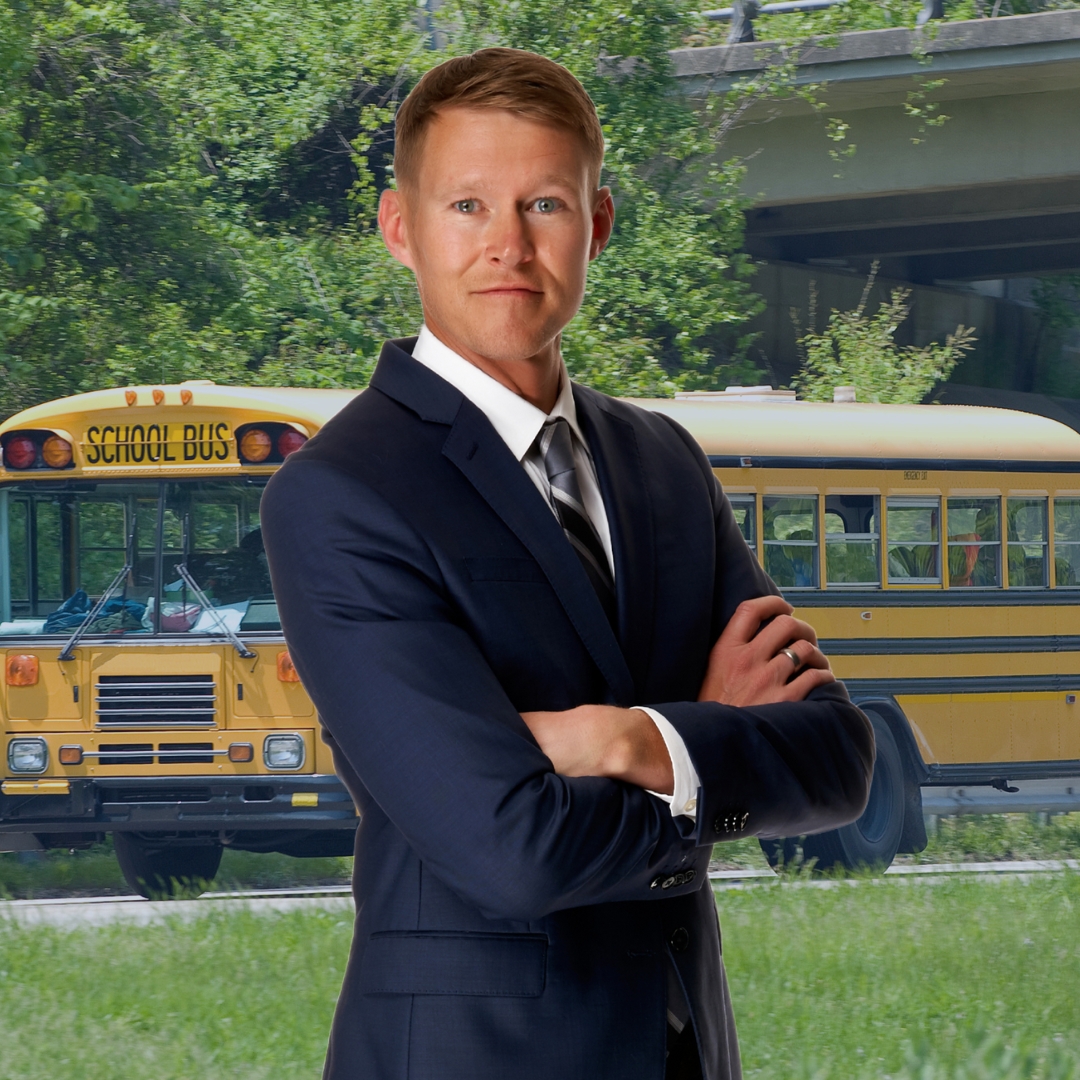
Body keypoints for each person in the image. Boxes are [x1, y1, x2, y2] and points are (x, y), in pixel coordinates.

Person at [260, 47, 874, 1080]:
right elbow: (512, 850)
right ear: (399, 229)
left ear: (596, 226)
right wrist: (714, 741)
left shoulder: (663, 463)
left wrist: (634, 740)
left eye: (543, 205)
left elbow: (839, 760)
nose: (507, 245)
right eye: (466, 206)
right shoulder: (342, 495)